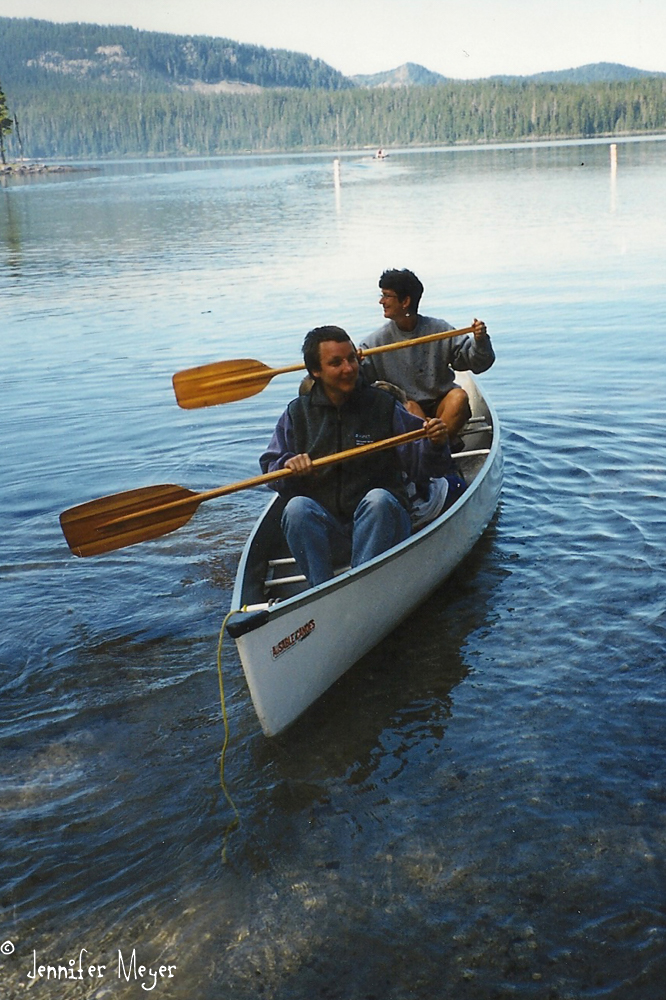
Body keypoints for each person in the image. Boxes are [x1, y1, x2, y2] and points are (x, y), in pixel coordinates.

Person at [260, 325, 465, 588]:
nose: (348, 368)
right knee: (296, 508)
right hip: (333, 533)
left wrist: (436, 443)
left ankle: (358, 589)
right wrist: (287, 466)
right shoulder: (297, 414)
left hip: (384, 527)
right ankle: (320, 590)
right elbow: (271, 468)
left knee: (378, 500)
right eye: (336, 363)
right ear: (315, 371)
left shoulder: (384, 406)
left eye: (351, 359)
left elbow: (425, 469)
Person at [358, 268, 495, 447]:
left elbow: (476, 363)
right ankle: (433, 452)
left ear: (405, 301)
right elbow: (358, 383)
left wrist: (480, 340)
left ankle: (436, 449)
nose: (381, 301)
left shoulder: (439, 330)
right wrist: (353, 362)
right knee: (411, 408)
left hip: (441, 408)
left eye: (386, 296)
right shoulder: (375, 342)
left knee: (459, 397)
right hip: (407, 410)